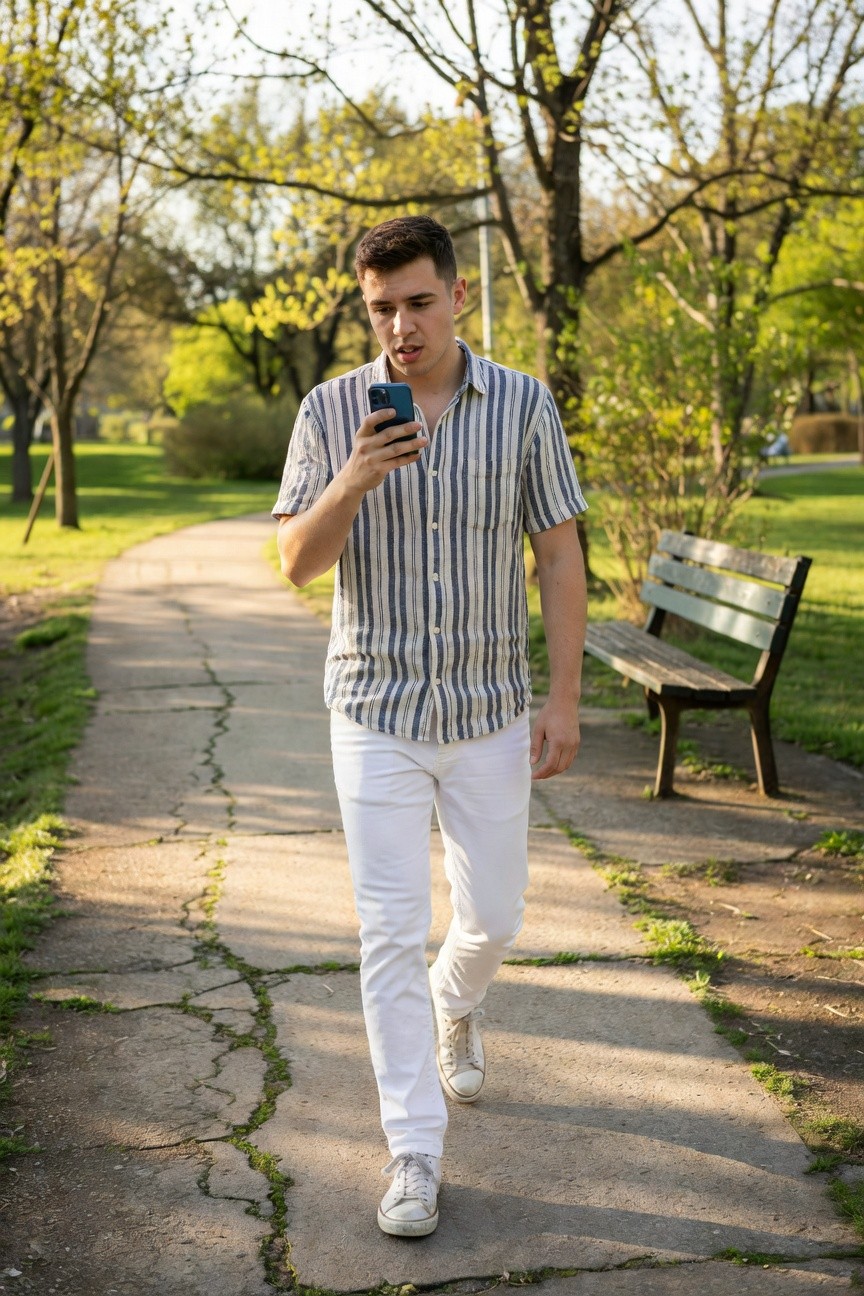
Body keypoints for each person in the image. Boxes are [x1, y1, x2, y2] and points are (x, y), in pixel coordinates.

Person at [273, 215, 587, 1238]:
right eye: (381, 309)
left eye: (417, 302)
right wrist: (353, 479)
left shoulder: (525, 405)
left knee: (495, 916)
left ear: (458, 295)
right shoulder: (331, 411)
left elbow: (558, 555)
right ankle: (413, 1150)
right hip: (375, 709)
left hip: (489, 710)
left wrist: (564, 698)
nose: (401, 327)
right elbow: (296, 565)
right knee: (389, 932)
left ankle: (459, 999)